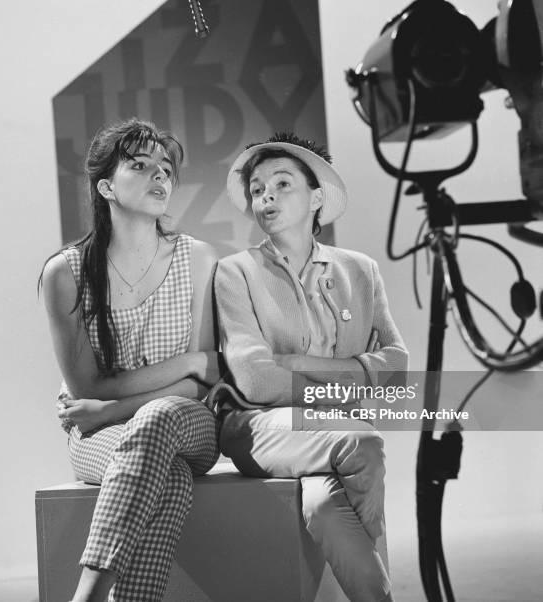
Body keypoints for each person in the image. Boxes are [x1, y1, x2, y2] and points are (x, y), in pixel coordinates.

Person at [212, 132, 408, 602]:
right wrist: (355, 379)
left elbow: (398, 365)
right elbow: (256, 381)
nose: (266, 197)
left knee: (323, 506)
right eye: (257, 189)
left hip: (326, 429)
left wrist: (296, 363)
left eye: (282, 184)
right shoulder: (234, 271)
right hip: (257, 427)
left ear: (317, 196)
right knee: (362, 439)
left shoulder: (360, 270)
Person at [39, 118, 220, 602]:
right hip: (95, 434)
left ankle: (86, 597)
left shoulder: (199, 258)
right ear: (106, 187)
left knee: (160, 418)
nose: (159, 177)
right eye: (140, 167)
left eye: (165, 168)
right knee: (172, 481)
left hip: (188, 424)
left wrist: (117, 408)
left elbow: (206, 384)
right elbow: (86, 391)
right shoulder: (66, 272)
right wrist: (187, 363)